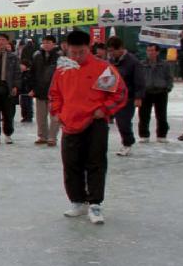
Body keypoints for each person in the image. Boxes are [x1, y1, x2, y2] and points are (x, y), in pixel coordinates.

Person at [49, 30, 128, 225]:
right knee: (71, 164)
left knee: (95, 163)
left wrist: (104, 109)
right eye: (73, 52)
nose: (76, 57)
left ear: (89, 48)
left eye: (81, 52)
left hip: (94, 123)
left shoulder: (102, 68)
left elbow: (119, 94)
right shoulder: (63, 69)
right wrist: (58, 113)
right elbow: (54, 93)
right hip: (69, 123)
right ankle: (78, 201)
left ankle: (94, 204)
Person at [107, 36, 145, 156]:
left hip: (128, 96)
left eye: (113, 50)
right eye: (109, 51)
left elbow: (139, 80)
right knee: (115, 121)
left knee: (124, 121)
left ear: (121, 49)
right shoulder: (111, 61)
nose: (111, 53)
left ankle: (127, 143)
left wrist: (138, 97)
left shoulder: (133, 62)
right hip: (114, 96)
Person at [138, 43, 174, 143]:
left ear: (157, 52)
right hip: (146, 92)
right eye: (148, 50)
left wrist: (168, 87)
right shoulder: (141, 64)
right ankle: (144, 135)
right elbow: (138, 79)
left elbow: (169, 77)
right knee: (144, 115)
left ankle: (162, 135)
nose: (150, 53)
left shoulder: (165, 64)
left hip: (161, 92)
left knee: (161, 115)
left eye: (152, 50)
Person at [31, 35, 60, 146]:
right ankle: (42, 136)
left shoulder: (59, 58)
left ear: (54, 44)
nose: (46, 44)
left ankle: (52, 137)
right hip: (40, 90)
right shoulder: (37, 56)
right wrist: (32, 88)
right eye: (44, 42)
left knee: (54, 117)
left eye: (48, 42)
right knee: (40, 116)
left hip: (55, 92)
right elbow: (32, 73)